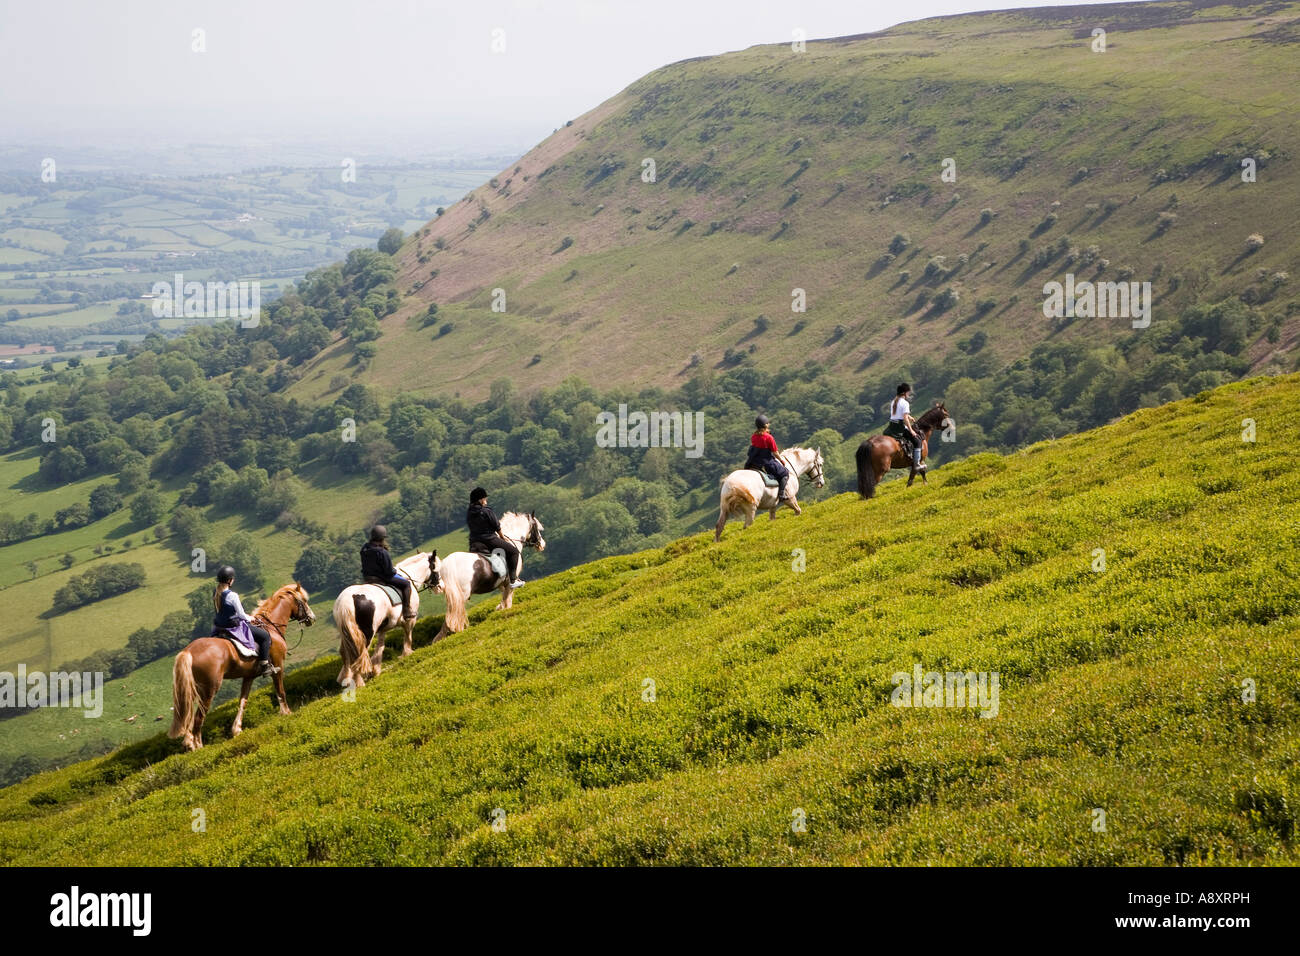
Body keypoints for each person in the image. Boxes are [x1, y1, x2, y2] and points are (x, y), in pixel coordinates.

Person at [212, 565, 278, 676]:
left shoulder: (215, 593)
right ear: (229, 580)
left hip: (219, 626)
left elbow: (226, 611)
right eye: (232, 578)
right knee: (265, 636)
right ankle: (265, 666)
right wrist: (251, 618)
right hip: (233, 626)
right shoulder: (232, 595)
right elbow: (242, 615)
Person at [466, 487, 523, 586]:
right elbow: (496, 525)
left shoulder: (469, 513)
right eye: (484, 498)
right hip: (489, 539)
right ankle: (513, 580)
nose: (486, 500)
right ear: (480, 499)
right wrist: (502, 537)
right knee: (514, 552)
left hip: (474, 542)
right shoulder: (487, 511)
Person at [360, 525, 415, 621]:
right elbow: (389, 572)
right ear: (382, 538)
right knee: (406, 584)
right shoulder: (382, 552)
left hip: (367, 577)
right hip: (381, 578)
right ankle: (407, 611)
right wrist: (395, 571)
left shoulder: (364, 549)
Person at [746, 414, 799, 511]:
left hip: (756, 462)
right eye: (767, 423)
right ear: (766, 425)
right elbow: (775, 452)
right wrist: (782, 460)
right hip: (767, 462)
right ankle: (782, 494)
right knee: (785, 473)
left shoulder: (753, 436)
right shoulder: (768, 437)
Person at [883, 382, 925, 473]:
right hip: (900, 427)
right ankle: (917, 464)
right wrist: (911, 430)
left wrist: (909, 416)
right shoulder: (905, 403)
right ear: (904, 393)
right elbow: (904, 418)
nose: (908, 394)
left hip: (891, 426)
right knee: (917, 441)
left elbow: (898, 414)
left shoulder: (894, 401)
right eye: (908, 393)